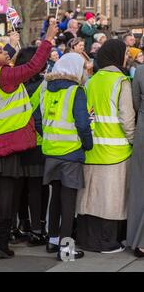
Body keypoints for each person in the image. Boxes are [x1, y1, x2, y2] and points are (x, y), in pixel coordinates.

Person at [0, 20, 58, 259]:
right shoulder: (3, 75)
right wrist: (47, 39)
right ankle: (0, 244)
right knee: (7, 193)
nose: (4, 52)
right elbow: (34, 66)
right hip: (8, 144)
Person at [77, 39, 135, 253]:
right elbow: (127, 119)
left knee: (89, 198)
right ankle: (107, 242)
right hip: (116, 153)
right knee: (111, 200)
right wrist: (134, 141)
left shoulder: (91, 81)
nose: (127, 57)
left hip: (91, 150)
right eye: (125, 53)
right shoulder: (121, 82)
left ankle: (86, 239)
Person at [37, 53, 92, 260]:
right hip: (70, 153)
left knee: (55, 198)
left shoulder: (46, 88)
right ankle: (66, 249)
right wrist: (87, 144)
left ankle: (52, 241)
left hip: (51, 152)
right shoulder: (75, 91)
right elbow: (83, 123)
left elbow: (37, 119)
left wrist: (50, 137)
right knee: (69, 202)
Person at [14, 47, 49, 247]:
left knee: (20, 188)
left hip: (17, 142)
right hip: (37, 143)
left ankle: (23, 224)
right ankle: (38, 228)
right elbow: (39, 118)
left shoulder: (13, 85)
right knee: (38, 188)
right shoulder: (43, 85)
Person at [128, 65, 144, 258]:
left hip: (142, 129)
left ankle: (135, 238)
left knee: (139, 184)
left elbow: (135, 103)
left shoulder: (140, 71)